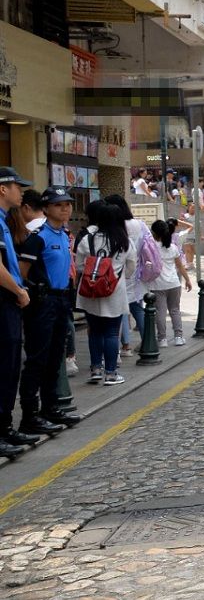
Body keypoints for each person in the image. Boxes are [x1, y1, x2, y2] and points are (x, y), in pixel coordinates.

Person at [15, 186, 81, 439]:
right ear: (46, 208)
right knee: (37, 360)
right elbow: (22, 273)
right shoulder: (38, 237)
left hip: (62, 300)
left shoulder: (64, 235)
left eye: (67, 204)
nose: (65, 208)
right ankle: (30, 417)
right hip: (43, 303)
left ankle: (51, 408)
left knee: (55, 358)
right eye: (58, 205)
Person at [74, 199, 137, 384]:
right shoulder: (125, 242)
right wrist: (116, 277)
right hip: (114, 292)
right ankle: (111, 373)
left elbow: (79, 266)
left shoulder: (88, 239)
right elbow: (131, 268)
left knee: (94, 332)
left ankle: (95, 370)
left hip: (90, 291)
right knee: (111, 332)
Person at [0, 167, 35, 458]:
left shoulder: (3, 220)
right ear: (3, 188)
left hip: (8, 300)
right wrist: (19, 291)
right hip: (3, 300)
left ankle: (6, 429)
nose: (21, 192)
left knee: (11, 365)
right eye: (16, 186)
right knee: (4, 366)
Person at [104, 195, 147, 357]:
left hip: (114, 273)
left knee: (119, 310)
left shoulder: (112, 227)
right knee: (137, 308)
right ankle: (147, 340)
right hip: (135, 271)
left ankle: (125, 346)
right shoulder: (139, 224)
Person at [148, 219, 191, 346]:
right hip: (174, 283)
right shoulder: (172, 247)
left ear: (154, 233)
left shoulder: (152, 247)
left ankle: (162, 339)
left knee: (160, 312)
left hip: (157, 285)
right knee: (175, 310)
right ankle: (178, 337)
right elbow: (180, 266)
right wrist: (187, 280)